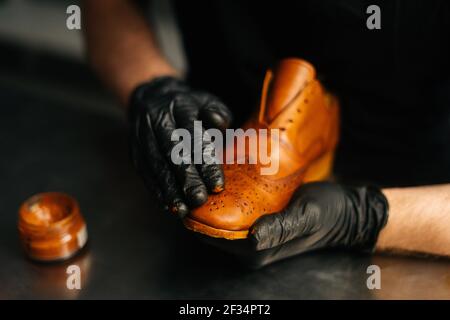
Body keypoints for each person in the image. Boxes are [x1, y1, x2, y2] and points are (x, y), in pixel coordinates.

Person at [82, 0, 450, 265]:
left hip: (421, 212)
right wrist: (151, 84)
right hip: (213, 148)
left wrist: (362, 216)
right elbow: (108, 6)